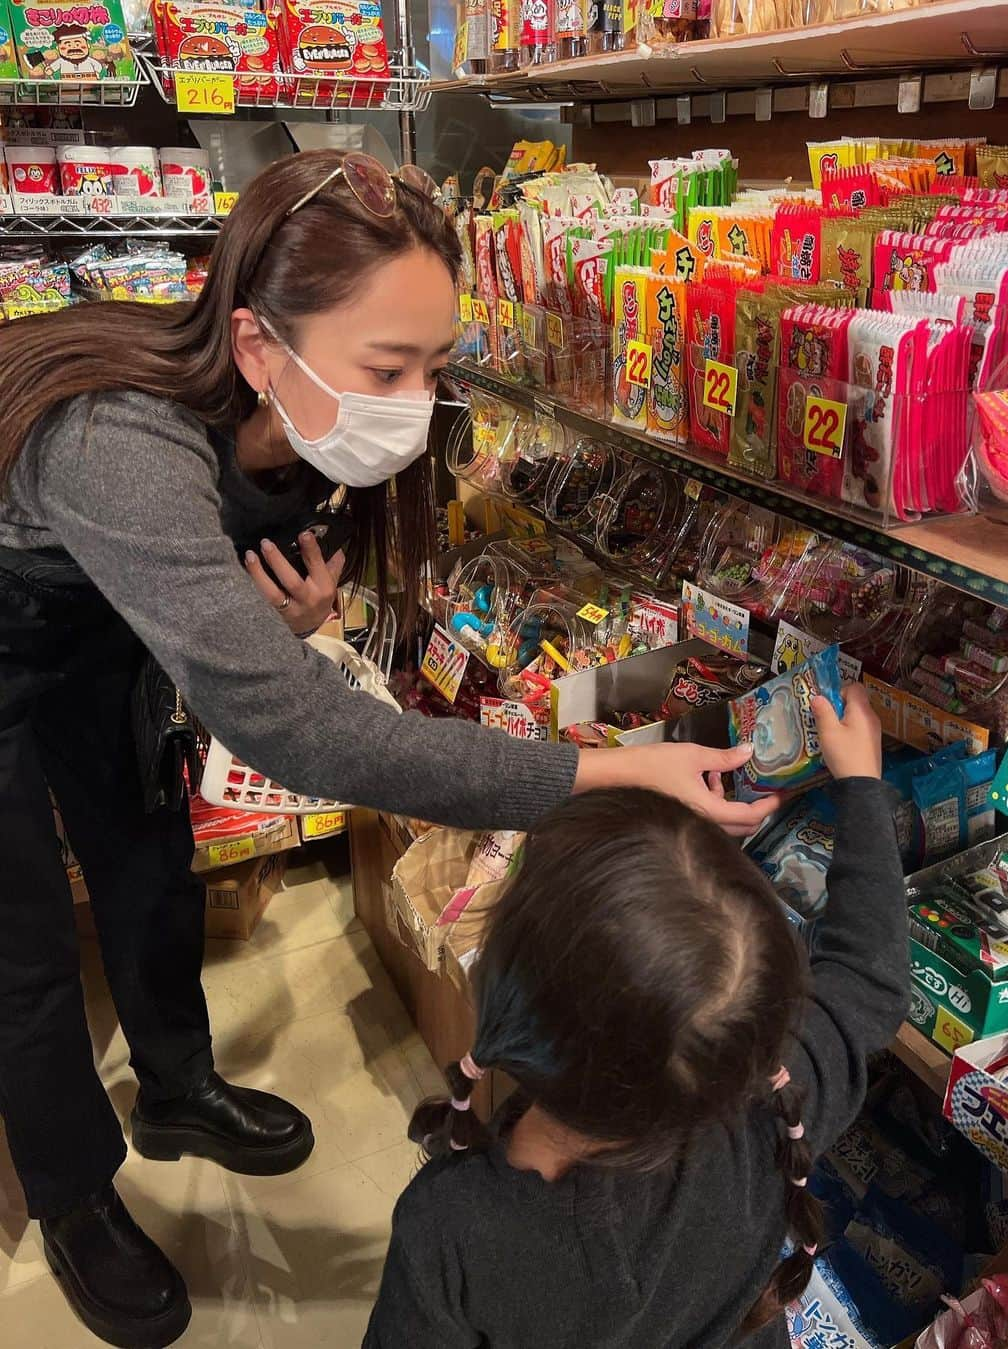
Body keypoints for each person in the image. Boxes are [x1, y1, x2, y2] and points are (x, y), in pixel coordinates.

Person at [0, 148, 778, 1349]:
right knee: (25, 951)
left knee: (146, 851)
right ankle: (74, 1193)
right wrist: (607, 768)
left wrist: (266, 624)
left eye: (433, 362)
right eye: (388, 366)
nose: (415, 399)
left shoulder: (294, 422)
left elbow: (192, 588)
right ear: (259, 345)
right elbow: (296, 726)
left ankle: (177, 1088)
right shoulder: (116, 434)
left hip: (100, 624)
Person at [364, 683, 910, 1349]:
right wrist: (861, 787)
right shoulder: (768, 1120)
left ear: (500, 984)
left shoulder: (448, 1226)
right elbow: (867, 978)